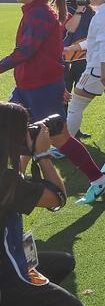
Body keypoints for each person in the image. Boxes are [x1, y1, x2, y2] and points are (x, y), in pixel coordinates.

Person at [0, 0, 105, 201]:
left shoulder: (39, 14)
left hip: (39, 88)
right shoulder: (35, 12)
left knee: (60, 139)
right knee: (14, 129)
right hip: (32, 86)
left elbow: (26, 51)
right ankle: (17, 179)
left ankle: (99, 180)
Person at [0, 102, 83, 306]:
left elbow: (15, 185)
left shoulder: (7, 180)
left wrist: (25, 151)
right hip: (6, 273)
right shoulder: (5, 182)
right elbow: (57, 198)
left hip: (9, 253)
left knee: (62, 262)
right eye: (22, 129)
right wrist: (43, 155)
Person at [62, 0, 105, 203]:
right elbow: (96, 40)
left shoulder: (104, 14)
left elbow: (104, 44)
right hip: (103, 66)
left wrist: (104, 70)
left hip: (98, 68)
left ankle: (63, 144)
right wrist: (74, 48)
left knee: (76, 105)